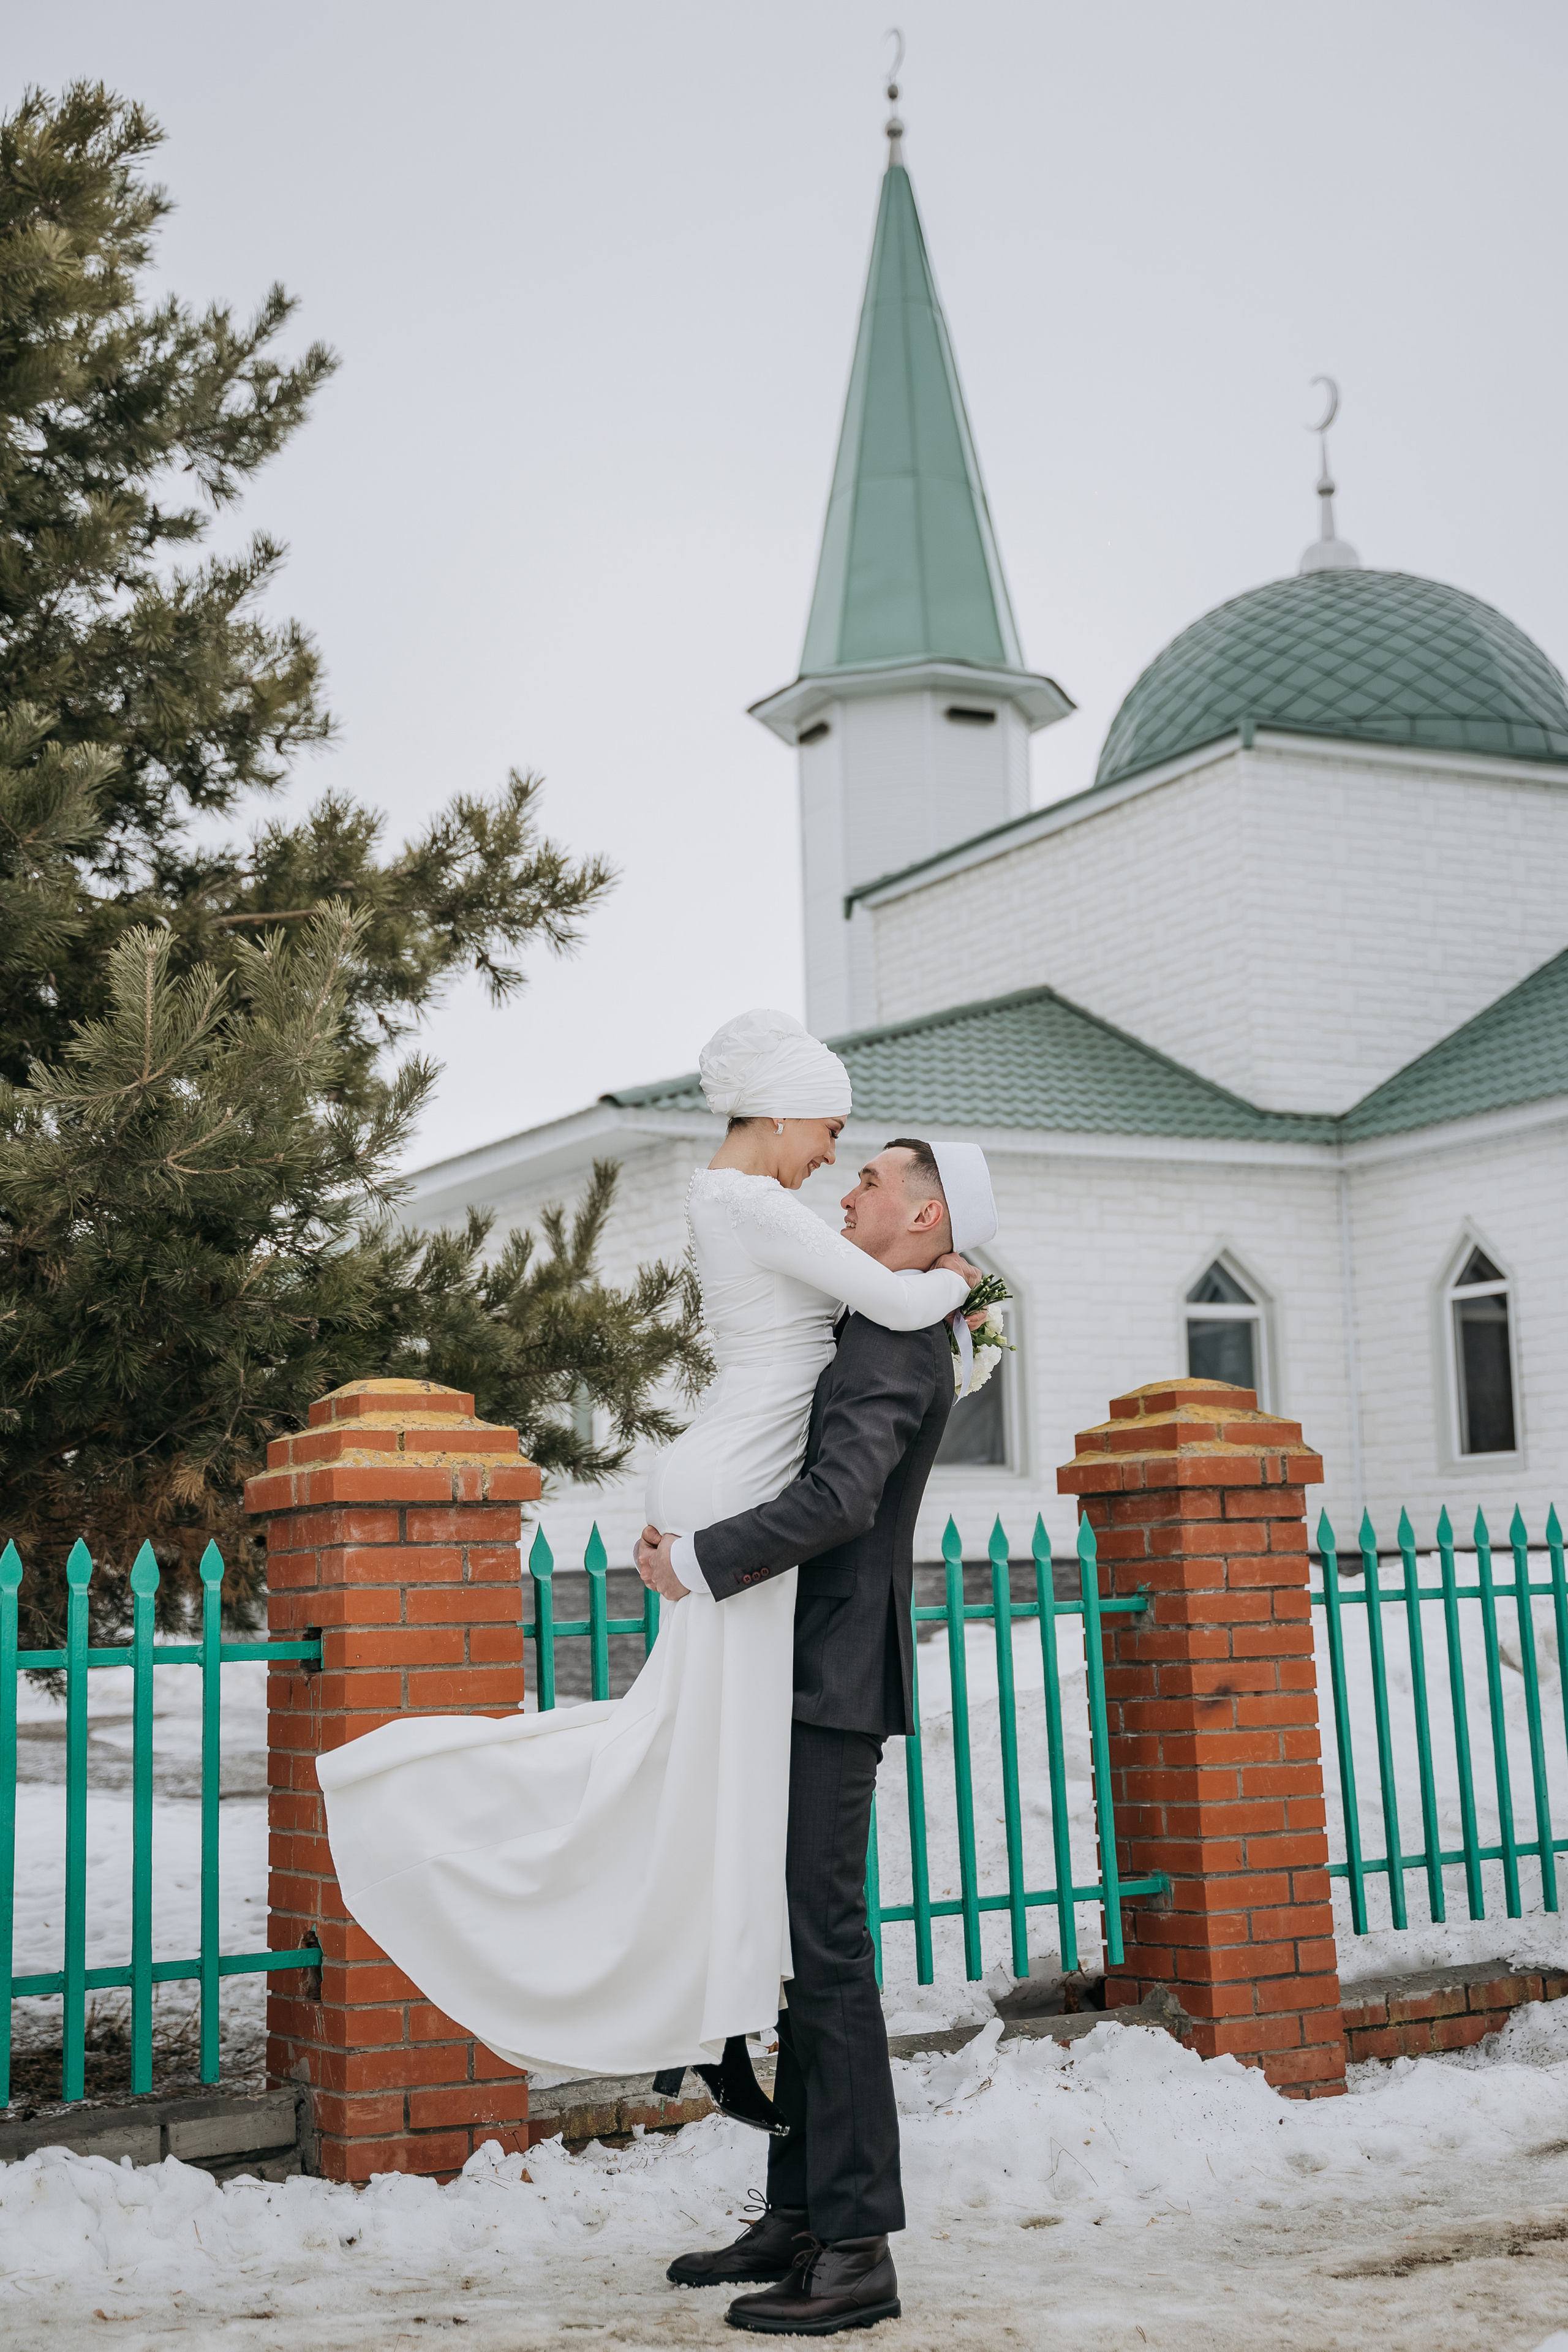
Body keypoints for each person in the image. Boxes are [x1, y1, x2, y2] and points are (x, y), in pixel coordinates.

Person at [313, 1009, 974, 2095]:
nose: (830, 1160)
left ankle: (713, 2009)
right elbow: (902, 1302)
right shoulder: (749, 1199)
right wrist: (967, 1284)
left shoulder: (738, 1200)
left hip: (725, 1470)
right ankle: (700, 2001)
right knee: (707, 1761)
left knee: (693, 1752)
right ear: (779, 1113)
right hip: (738, 1481)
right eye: (828, 1132)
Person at [637, 1132, 999, 2339]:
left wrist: (696, 1560)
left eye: (869, 1180)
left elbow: (844, 1497)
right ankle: (797, 2218)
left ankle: (856, 2250)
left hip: (826, 1676)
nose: (841, 1189)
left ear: (923, 1212)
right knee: (793, 1952)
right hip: (785, 1666)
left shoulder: (897, 1335)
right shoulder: (880, 1308)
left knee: (824, 1954)